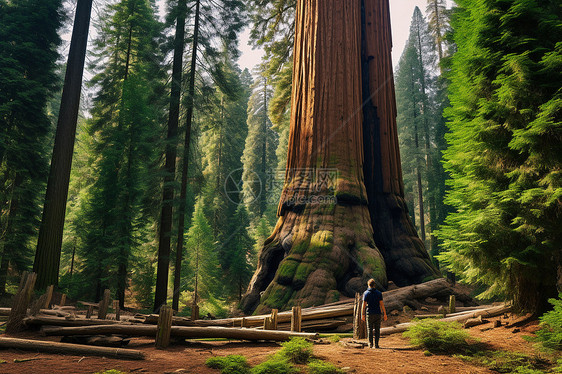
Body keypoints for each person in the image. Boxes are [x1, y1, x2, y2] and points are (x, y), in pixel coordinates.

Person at [361, 278, 387, 348]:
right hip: (378, 313)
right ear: (374, 285)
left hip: (369, 313)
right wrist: (385, 314)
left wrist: (362, 314)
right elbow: (382, 304)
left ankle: (370, 344)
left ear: (368, 285)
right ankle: (376, 345)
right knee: (377, 330)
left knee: (369, 329)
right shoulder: (379, 293)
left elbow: (363, 305)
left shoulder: (366, 293)